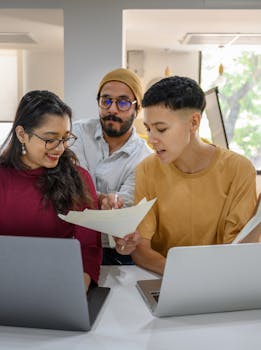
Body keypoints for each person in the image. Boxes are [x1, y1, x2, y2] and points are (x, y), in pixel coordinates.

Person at [131, 76, 257, 275]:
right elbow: (140, 250)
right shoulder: (146, 169)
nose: (152, 139)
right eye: (148, 129)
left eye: (161, 129)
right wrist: (183, 275)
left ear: (194, 122)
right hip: (164, 278)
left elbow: (236, 250)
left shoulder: (239, 169)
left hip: (221, 280)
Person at [0, 90, 102, 289]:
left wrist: (80, 285)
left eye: (65, 138)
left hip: (58, 284)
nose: (60, 148)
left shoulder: (78, 178)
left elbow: (89, 247)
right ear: (22, 134)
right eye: (50, 138)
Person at [71, 68, 152, 264]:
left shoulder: (145, 158)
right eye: (106, 100)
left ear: (137, 109)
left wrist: (103, 205)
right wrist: (101, 200)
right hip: (70, 241)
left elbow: (120, 215)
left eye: (123, 102)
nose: (112, 109)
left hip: (114, 249)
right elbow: (70, 187)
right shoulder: (77, 133)